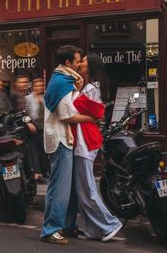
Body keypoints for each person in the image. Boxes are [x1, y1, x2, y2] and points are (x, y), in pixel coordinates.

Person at [40, 45, 96, 245]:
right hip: (60, 140)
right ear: (68, 63)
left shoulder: (65, 80)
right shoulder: (61, 82)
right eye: (78, 60)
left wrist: (78, 89)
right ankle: (51, 229)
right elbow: (67, 115)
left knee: (68, 187)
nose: (80, 63)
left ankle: (66, 224)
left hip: (65, 139)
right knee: (59, 187)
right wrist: (91, 117)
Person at [73, 53, 123, 242]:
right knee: (83, 189)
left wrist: (76, 91)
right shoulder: (91, 87)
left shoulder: (91, 89)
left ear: (91, 66)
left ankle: (110, 224)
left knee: (87, 189)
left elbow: (75, 108)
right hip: (85, 140)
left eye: (83, 61)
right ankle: (91, 229)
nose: (80, 64)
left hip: (84, 141)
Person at [25, 78, 50, 183]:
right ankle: (37, 174)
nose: (39, 87)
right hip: (33, 128)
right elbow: (25, 113)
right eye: (37, 85)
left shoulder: (45, 97)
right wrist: (28, 123)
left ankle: (45, 172)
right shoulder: (28, 98)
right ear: (33, 87)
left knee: (43, 150)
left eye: (41, 85)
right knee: (34, 151)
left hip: (43, 128)